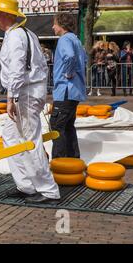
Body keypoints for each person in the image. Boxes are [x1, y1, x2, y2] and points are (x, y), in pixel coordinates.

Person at [0, 0, 60, 204]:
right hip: (28, 92)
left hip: (24, 94)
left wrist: (12, 97)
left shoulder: (15, 37)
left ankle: (47, 190)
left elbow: (18, 69)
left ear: (7, 15)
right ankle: (27, 185)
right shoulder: (26, 34)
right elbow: (41, 66)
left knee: (30, 140)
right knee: (10, 138)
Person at [50, 13, 87, 159]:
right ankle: (73, 161)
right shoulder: (76, 39)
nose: (53, 27)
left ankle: (60, 163)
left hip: (65, 90)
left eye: (55, 24)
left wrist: (68, 73)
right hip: (74, 91)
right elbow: (83, 58)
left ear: (62, 25)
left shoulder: (64, 39)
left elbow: (70, 56)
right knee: (68, 126)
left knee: (57, 126)